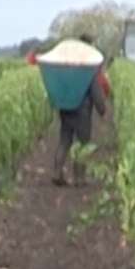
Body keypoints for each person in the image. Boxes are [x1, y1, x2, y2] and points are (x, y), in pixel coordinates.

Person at [52, 35, 108, 186]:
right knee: (82, 143)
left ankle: (57, 172)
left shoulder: (67, 63)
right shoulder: (87, 65)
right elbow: (95, 90)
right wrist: (102, 109)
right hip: (82, 109)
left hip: (66, 107)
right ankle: (79, 178)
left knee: (64, 139)